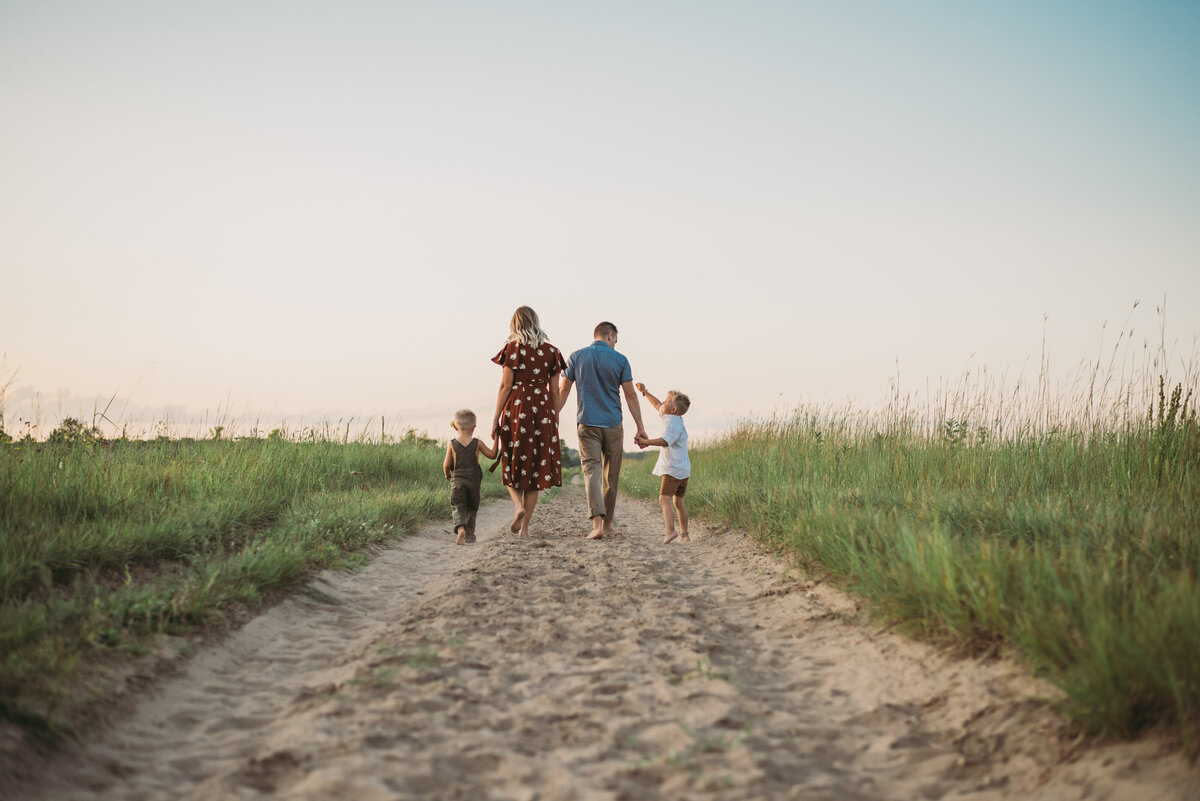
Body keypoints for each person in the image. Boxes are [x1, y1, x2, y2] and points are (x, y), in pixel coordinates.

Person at [558, 321, 648, 539]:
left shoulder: (576, 357)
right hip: (613, 424)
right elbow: (630, 395)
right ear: (610, 336)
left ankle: (596, 525)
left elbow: (564, 390)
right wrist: (640, 428)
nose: (615, 344)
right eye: (615, 340)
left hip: (587, 423)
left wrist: (553, 419)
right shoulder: (620, 360)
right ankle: (607, 526)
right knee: (611, 476)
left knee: (592, 472)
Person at [491, 306, 567, 537]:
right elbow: (555, 392)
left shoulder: (512, 349)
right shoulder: (552, 352)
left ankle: (518, 507)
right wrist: (554, 419)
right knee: (535, 470)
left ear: (515, 325)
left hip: (517, 407)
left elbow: (506, 386)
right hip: (542, 410)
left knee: (512, 460)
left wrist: (496, 416)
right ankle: (524, 530)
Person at [634, 384, 692, 543]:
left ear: (673, 409)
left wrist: (646, 441)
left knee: (663, 499)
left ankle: (670, 531)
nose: (663, 403)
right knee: (678, 501)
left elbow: (665, 441)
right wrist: (645, 393)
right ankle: (685, 535)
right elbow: (657, 404)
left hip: (673, 469)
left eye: (667, 402)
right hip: (683, 469)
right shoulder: (674, 418)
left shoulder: (672, 423)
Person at [443, 409, 498, 546]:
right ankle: (469, 535)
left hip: (458, 480)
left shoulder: (452, 444)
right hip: (474, 481)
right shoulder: (477, 443)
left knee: (458, 505)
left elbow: (446, 464)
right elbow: (492, 455)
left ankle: (461, 528)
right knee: (472, 508)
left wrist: (447, 474)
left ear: (455, 427)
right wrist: (497, 438)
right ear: (474, 427)